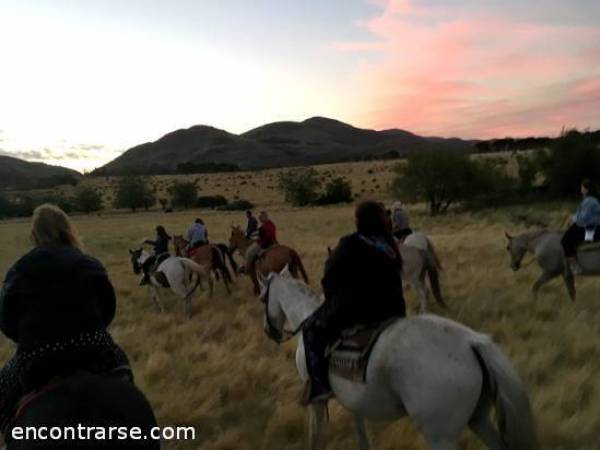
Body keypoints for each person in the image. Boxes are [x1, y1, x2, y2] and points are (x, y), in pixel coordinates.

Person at [0, 204, 133, 432]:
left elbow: (6, 320)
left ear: (34, 234)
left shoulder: (19, 269)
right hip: (94, 349)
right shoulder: (90, 264)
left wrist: (25, 339)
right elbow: (108, 309)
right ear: (66, 230)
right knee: (126, 376)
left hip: (37, 357)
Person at [301, 200, 406, 405]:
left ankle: (321, 385)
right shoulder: (388, 244)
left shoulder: (351, 243)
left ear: (360, 221)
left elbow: (329, 277)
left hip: (360, 311)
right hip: (394, 309)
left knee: (311, 328)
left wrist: (332, 298)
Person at [561, 179, 600, 275]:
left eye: (582, 187)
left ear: (586, 189)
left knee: (565, 240)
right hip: (589, 225)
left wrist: (572, 218)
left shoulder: (590, 201)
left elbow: (584, 217)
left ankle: (574, 265)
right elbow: (582, 215)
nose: (581, 189)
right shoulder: (590, 200)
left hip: (591, 227)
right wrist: (573, 217)